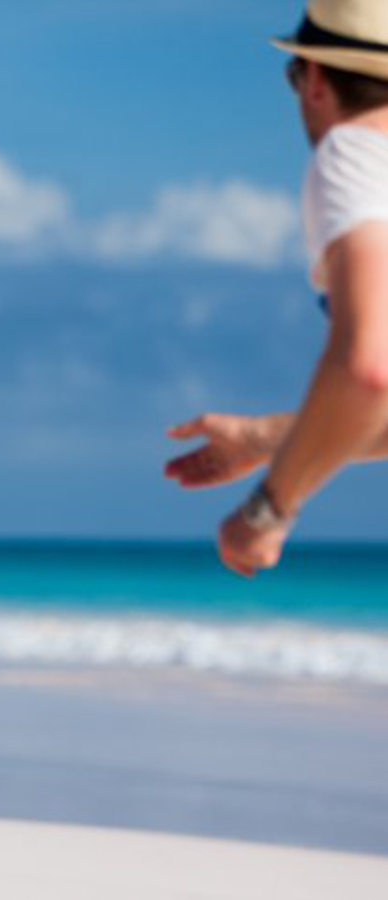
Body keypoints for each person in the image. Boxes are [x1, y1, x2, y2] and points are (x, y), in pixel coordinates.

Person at [165, 0, 388, 577]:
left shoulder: (355, 153)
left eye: (293, 77)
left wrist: (269, 509)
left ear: (315, 80)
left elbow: (370, 370)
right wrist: (265, 437)